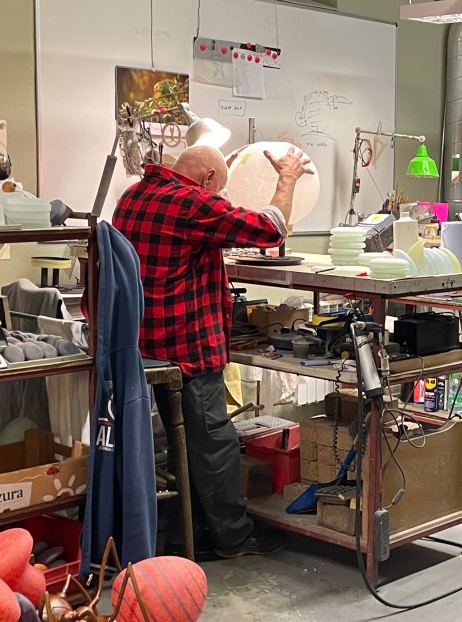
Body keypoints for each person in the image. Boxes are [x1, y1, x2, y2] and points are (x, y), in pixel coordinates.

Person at [113, 144, 313, 557]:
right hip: (187, 347)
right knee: (214, 444)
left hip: (146, 345)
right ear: (206, 179)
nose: (218, 198)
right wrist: (287, 178)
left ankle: (190, 534)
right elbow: (270, 229)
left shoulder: (133, 195)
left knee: (182, 443)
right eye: (218, 189)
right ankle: (232, 537)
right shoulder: (192, 203)